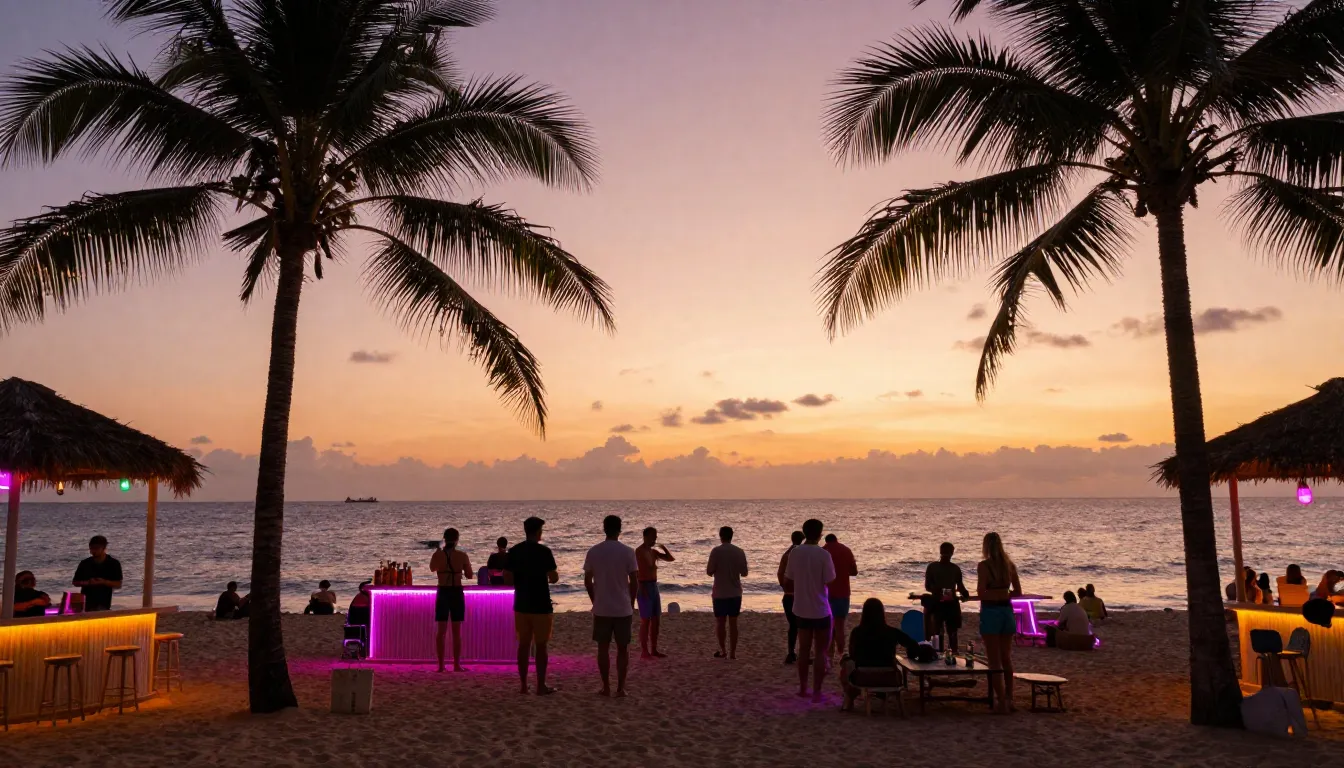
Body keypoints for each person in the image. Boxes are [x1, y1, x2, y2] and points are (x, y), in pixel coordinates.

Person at [583, 515, 640, 697]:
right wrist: (631, 601)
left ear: (604, 529)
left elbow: (587, 581)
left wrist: (594, 600)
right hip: (622, 607)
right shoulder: (628, 552)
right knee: (623, 649)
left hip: (602, 607)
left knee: (603, 648)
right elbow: (634, 581)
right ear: (620, 529)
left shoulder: (594, 551)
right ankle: (620, 688)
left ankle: (606, 686)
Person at [505, 516, 560, 695]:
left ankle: (523, 685)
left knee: (523, 645)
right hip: (541, 604)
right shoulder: (544, 552)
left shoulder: (515, 551)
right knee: (541, 646)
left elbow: (508, 578)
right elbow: (553, 577)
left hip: (521, 603)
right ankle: (540, 685)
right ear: (538, 532)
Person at [783, 518, 835, 703]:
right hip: (820, 608)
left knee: (804, 650)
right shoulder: (823, 554)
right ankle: (817, 692)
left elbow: (788, 578)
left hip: (801, 608)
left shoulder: (795, 553)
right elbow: (830, 580)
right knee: (820, 652)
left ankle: (803, 688)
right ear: (820, 534)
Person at [839, 598, 919, 711]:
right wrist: (909, 654)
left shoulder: (857, 632)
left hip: (863, 678)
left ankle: (850, 697)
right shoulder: (892, 632)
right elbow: (914, 645)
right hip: (889, 679)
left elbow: (853, 655)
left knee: (846, 660)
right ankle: (880, 693)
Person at [977, 531, 1022, 714]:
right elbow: (1018, 591)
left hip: (991, 612)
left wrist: (993, 593)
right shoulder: (1009, 565)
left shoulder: (984, 566)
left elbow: (981, 592)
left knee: (994, 661)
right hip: (1007, 611)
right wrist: (1004, 593)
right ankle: (1010, 698)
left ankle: (1001, 700)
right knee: (1006, 658)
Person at [430, 528, 473, 672]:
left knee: (441, 631)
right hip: (456, 591)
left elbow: (432, 568)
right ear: (457, 540)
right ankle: (456, 665)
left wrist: (438, 553)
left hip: (443, 591)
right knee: (456, 631)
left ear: (444, 539)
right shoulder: (462, 555)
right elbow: (469, 575)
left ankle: (441, 665)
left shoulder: (438, 555)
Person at [707, 526, 749, 659]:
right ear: (732, 536)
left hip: (720, 592)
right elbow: (744, 573)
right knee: (733, 623)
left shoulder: (716, 551)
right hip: (735, 592)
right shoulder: (739, 551)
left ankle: (723, 650)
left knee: (720, 622)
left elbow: (709, 571)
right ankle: (733, 653)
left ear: (720, 536)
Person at [635, 527, 674, 659]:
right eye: (653, 536)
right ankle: (644, 651)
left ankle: (654, 649)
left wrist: (664, 548)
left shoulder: (653, 552)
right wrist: (641, 587)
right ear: (645, 536)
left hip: (653, 585)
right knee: (645, 620)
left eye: (656, 536)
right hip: (644, 586)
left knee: (656, 620)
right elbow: (636, 571)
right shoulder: (639, 551)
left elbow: (670, 558)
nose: (655, 539)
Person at [924, 542, 970, 651]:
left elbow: (960, 586)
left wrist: (965, 594)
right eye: (946, 552)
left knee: (948, 632)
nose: (947, 554)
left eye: (947, 552)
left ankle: (949, 652)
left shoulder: (952, 568)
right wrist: (938, 590)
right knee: (942, 632)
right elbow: (927, 586)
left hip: (948, 603)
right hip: (940, 603)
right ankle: (945, 652)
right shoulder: (936, 567)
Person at [823, 533, 858, 659]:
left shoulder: (823, 551)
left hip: (826, 593)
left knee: (827, 626)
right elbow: (854, 572)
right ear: (836, 540)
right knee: (840, 626)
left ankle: (830, 654)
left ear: (826, 541)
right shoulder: (846, 550)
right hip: (843, 592)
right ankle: (841, 653)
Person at [72, 535, 123, 611]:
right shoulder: (85, 563)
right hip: (86, 604)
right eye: (91, 548)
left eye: (96, 548)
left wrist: (104, 582)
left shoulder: (113, 563)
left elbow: (118, 584)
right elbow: (75, 582)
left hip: (104, 604)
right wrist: (88, 583)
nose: (93, 551)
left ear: (104, 548)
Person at [777, 530, 804, 664]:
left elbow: (780, 574)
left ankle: (791, 652)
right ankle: (801, 652)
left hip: (788, 595)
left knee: (793, 625)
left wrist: (784, 586)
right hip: (801, 595)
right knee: (803, 625)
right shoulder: (801, 554)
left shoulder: (786, 555)